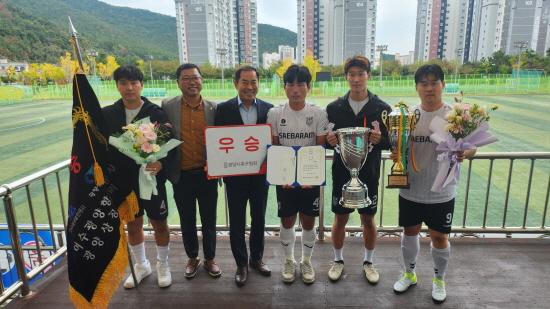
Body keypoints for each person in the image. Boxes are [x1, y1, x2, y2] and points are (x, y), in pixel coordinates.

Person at [392, 64, 476, 303]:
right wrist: (396, 151)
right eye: (424, 83)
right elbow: (398, 145)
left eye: (434, 82)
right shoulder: (407, 116)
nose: (429, 88)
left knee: (439, 237)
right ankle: (409, 274)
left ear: (443, 85)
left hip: (442, 191)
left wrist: (466, 153)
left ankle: (439, 280)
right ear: (417, 87)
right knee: (410, 233)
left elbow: (472, 146)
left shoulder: (455, 116)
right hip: (411, 189)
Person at [102, 65, 172, 288]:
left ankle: (163, 264)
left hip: (151, 180)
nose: (129, 88)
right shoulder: (108, 114)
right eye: (123, 83)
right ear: (117, 86)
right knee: (133, 224)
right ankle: (141, 265)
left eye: (133, 83)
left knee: (159, 223)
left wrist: (160, 163)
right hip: (123, 181)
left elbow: (169, 146)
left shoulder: (156, 113)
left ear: (141, 85)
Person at [325, 55, 391, 284]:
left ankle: (369, 262)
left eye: (360, 74)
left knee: (368, 220)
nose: (356, 79)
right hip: (342, 173)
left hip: (369, 174)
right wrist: (329, 140)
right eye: (351, 74)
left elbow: (391, 143)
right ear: (346, 77)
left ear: (368, 76)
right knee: (340, 219)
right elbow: (327, 139)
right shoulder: (334, 108)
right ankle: (338, 260)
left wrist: (381, 138)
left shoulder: (382, 108)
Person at [266, 65, 329, 284]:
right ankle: (289, 260)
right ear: (284, 88)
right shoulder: (275, 113)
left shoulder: (318, 113)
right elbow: (274, 148)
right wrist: (282, 176)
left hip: (309, 181)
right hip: (284, 180)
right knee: (287, 221)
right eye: (290, 84)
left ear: (308, 87)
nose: (295, 89)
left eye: (300, 84)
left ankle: (306, 260)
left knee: (309, 222)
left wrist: (310, 178)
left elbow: (319, 149)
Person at [215, 66, 274, 286]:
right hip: (235, 177)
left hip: (261, 176)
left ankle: (256, 259)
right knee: (237, 221)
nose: (249, 87)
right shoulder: (223, 109)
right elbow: (217, 143)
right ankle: (241, 263)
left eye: (253, 82)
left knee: (259, 218)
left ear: (258, 83)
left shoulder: (269, 110)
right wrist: (219, 169)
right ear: (235, 83)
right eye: (245, 82)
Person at [162, 63, 221, 279]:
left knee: (209, 219)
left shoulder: (215, 108)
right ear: (178, 82)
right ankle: (192, 257)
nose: (191, 82)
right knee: (187, 220)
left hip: (207, 174)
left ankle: (211, 259)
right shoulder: (167, 106)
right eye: (186, 78)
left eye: (195, 77)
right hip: (181, 175)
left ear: (202, 80)